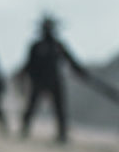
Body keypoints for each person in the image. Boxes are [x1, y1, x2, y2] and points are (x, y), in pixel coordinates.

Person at [19, 15, 88, 143]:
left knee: (60, 109)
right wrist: (22, 75)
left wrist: (81, 72)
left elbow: (71, 61)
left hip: (54, 81)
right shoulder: (36, 46)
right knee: (32, 107)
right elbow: (28, 64)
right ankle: (24, 129)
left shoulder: (57, 46)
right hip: (39, 81)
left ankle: (62, 134)